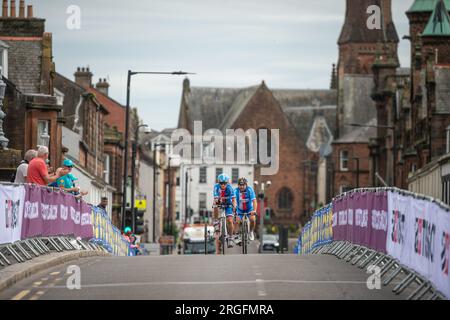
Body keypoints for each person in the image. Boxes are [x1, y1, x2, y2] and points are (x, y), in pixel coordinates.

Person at [212, 173, 236, 251]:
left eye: (224, 183)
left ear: (227, 183)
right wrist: (217, 202)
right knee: (214, 205)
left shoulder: (230, 188)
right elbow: (215, 199)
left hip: (228, 205)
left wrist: (234, 206)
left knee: (229, 220)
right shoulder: (216, 187)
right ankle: (216, 222)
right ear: (219, 183)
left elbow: (233, 200)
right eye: (221, 183)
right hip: (219, 203)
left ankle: (230, 237)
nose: (223, 185)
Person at [234, 177, 258, 242]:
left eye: (243, 185)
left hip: (249, 209)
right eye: (240, 185)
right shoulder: (235, 191)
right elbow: (234, 201)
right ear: (238, 185)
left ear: (246, 185)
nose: (241, 187)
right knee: (237, 221)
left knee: (252, 219)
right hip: (239, 209)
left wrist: (254, 210)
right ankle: (236, 235)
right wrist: (234, 209)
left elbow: (254, 201)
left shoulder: (250, 190)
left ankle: (251, 232)